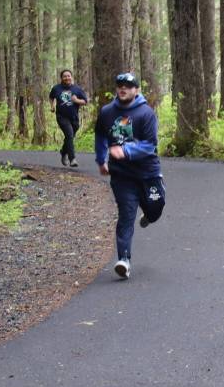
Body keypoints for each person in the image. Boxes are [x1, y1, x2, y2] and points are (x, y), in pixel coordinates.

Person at [95, 72, 165, 279]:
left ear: (136, 90)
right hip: (122, 175)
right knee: (126, 215)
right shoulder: (107, 112)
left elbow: (150, 145)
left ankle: (149, 215)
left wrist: (125, 151)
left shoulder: (145, 113)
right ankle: (124, 260)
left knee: (156, 208)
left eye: (128, 85)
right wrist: (102, 160)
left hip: (148, 173)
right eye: (120, 85)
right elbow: (100, 136)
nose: (123, 88)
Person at [49, 69, 89, 166]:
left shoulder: (77, 89)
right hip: (61, 117)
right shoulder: (56, 88)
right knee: (70, 135)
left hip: (74, 118)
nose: (67, 78)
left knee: (70, 137)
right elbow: (51, 97)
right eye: (64, 76)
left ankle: (63, 152)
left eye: (68, 76)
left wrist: (76, 101)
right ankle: (72, 159)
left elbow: (85, 101)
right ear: (61, 78)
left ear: (71, 77)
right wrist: (52, 106)